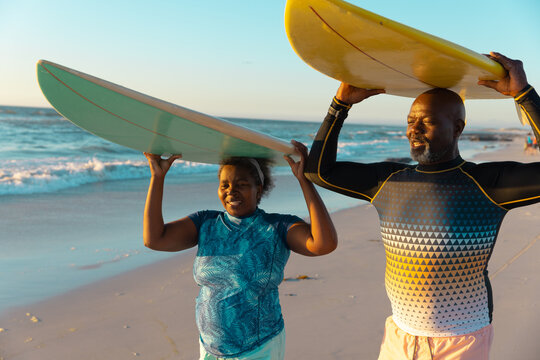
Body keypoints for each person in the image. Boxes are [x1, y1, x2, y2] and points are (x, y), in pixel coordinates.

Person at [305, 52, 540, 359]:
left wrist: (525, 95)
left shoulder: (487, 183)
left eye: (426, 121)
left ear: (457, 128)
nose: (413, 129)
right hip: (400, 337)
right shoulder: (387, 180)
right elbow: (319, 171)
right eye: (410, 121)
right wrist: (340, 105)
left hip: (461, 340)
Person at [143, 140, 337, 360]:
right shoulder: (205, 223)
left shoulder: (277, 227)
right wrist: (157, 178)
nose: (231, 191)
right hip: (210, 349)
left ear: (259, 189)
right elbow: (154, 239)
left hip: (260, 348)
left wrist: (304, 181)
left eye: (241, 184)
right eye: (224, 185)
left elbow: (324, 244)